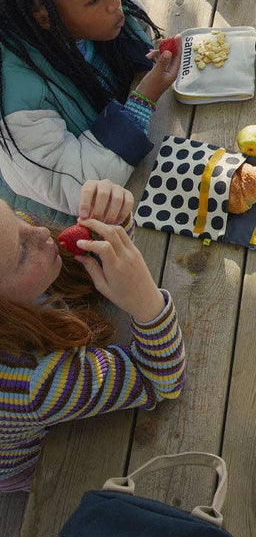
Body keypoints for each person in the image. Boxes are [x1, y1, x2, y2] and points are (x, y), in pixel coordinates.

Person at [0, 179, 186, 492]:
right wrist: (148, 306)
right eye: (21, 253)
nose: (42, 232)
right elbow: (159, 382)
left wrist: (111, 229)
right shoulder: (32, 380)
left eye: (15, 216)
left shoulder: (15, 253)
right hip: (35, 463)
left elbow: (82, 274)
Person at [0, 0, 181, 225]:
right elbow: (88, 189)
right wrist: (143, 100)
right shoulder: (16, 103)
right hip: (69, 230)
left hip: (118, 163)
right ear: (45, 18)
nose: (115, 1)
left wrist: (146, 57)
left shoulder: (83, 10)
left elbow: (126, 18)